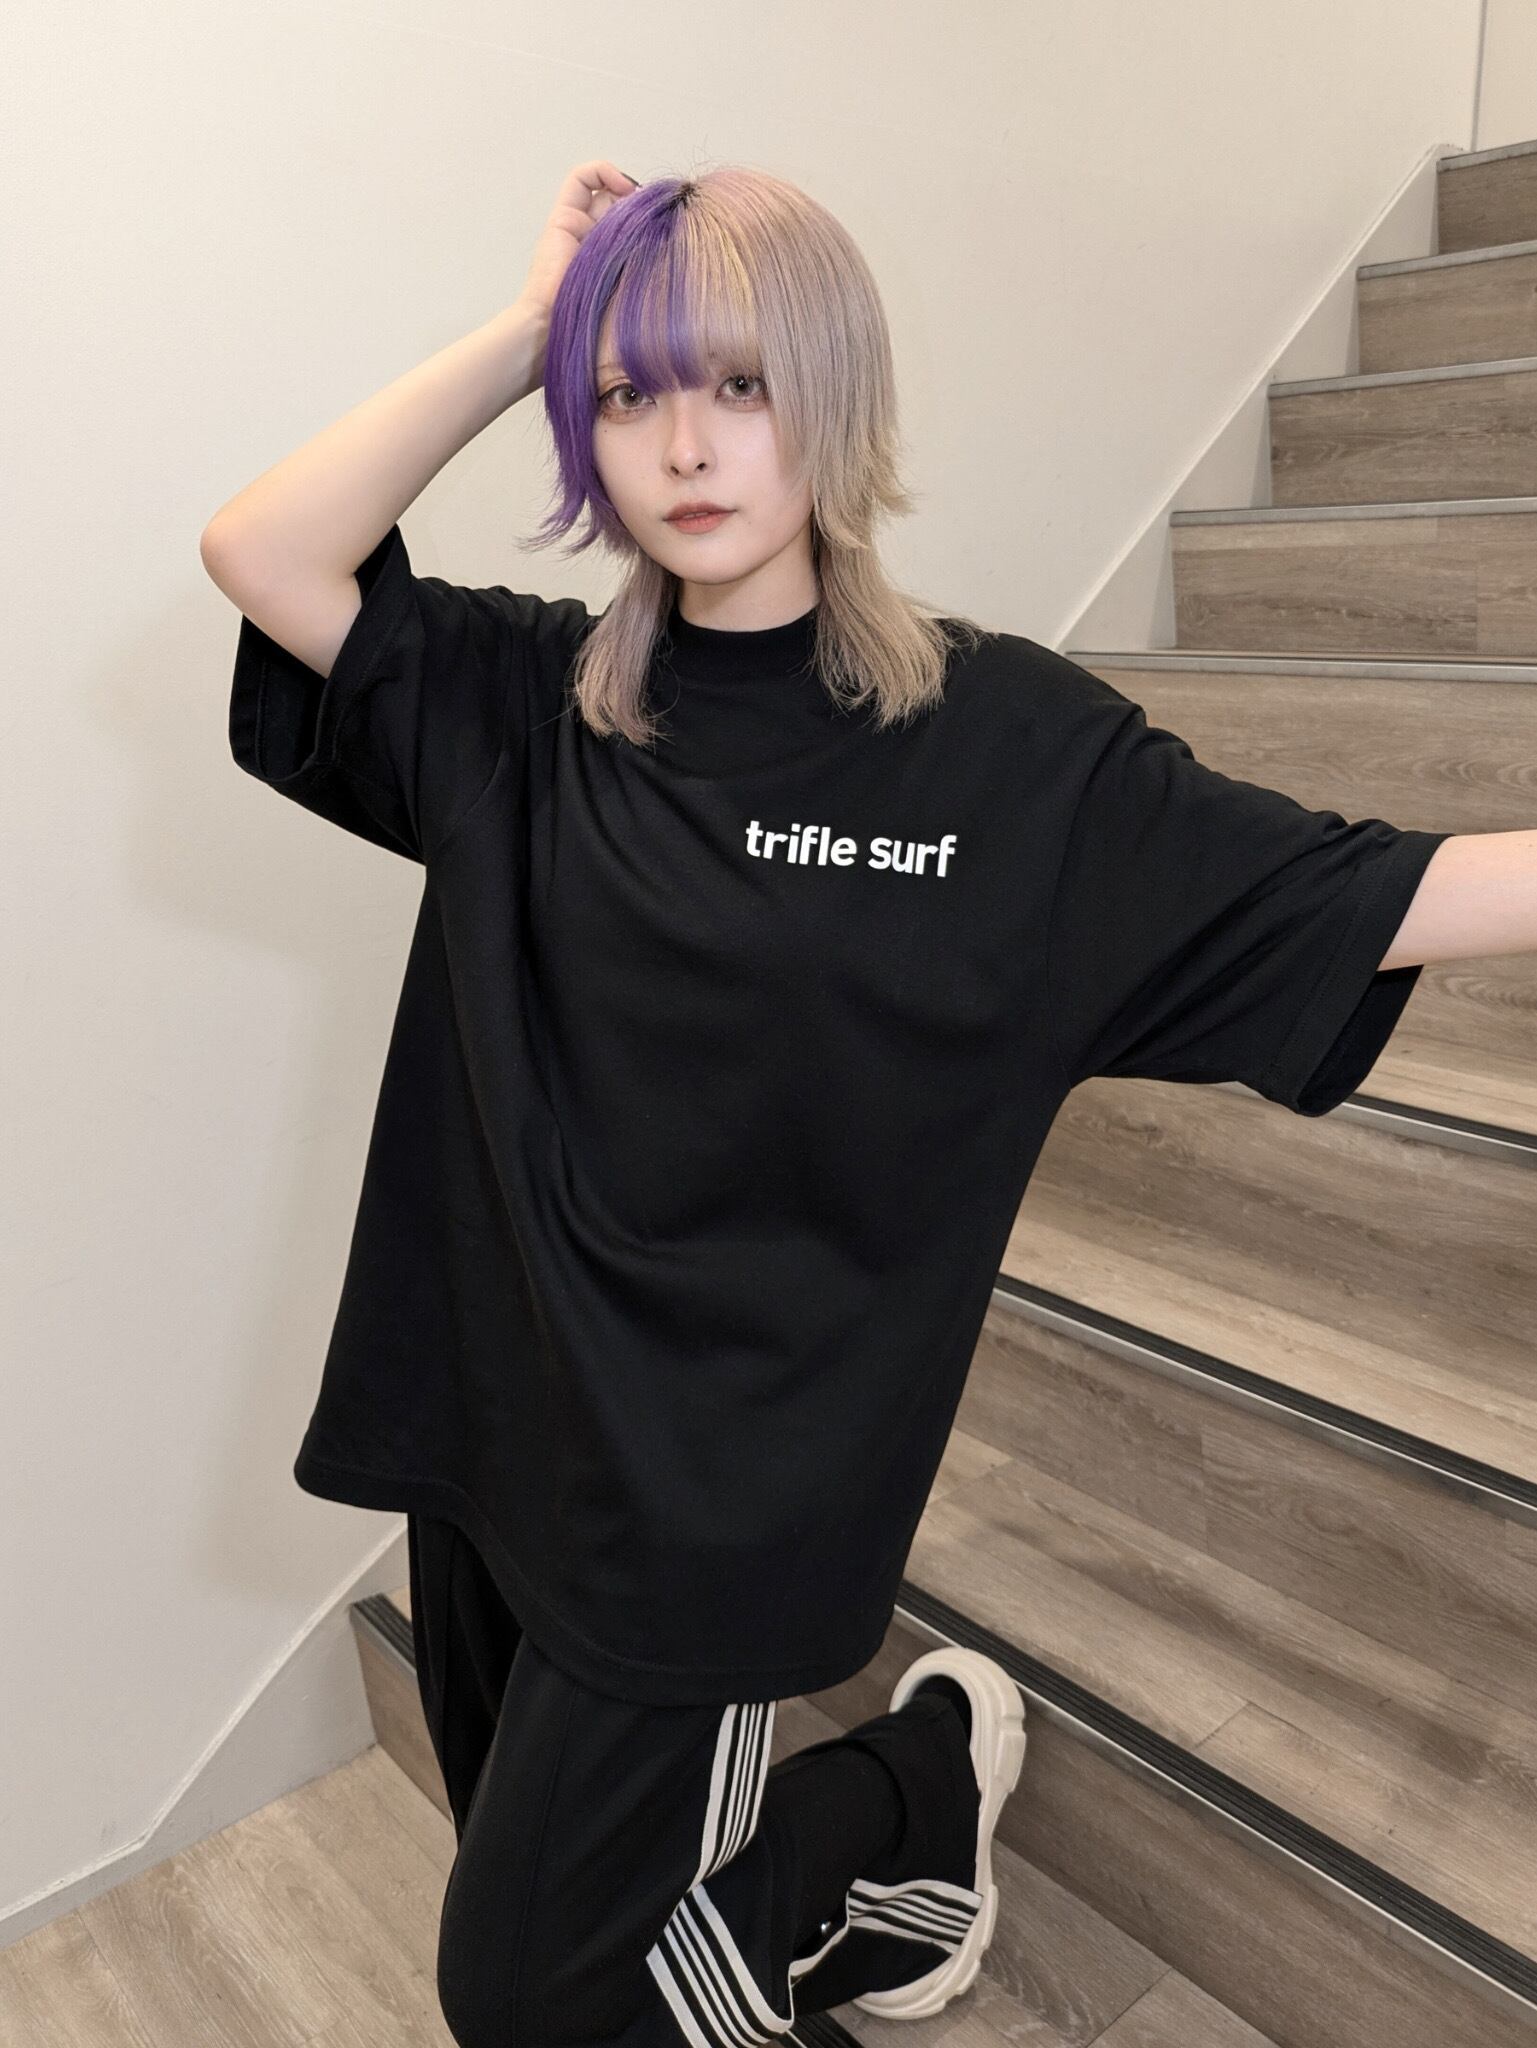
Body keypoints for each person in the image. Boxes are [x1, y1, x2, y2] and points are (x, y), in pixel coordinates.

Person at [200, 160, 1452, 2045]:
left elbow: (1362, 895)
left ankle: (900, 1797)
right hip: (480, 1422)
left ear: (833, 393)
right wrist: (537, 325)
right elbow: (265, 551)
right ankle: (909, 1810)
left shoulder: (1004, 749)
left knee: (533, 1997)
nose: (684, 444)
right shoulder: (522, 705)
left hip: (714, 1497)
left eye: (740, 381)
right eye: (626, 393)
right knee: (545, 1894)